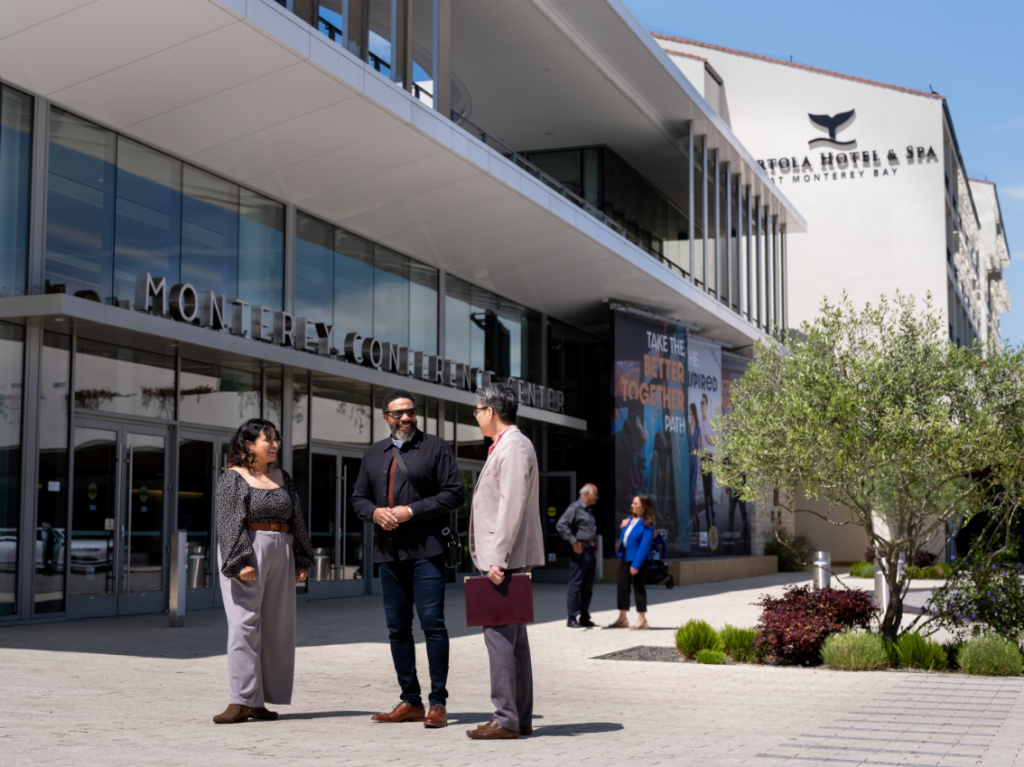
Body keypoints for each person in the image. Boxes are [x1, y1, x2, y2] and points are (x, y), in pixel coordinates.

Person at [351, 389, 464, 729]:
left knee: (433, 626)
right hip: (389, 555)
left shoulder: (435, 448)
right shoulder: (373, 454)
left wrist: (410, 511)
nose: (405, 418)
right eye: (398, 414)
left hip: (427, 552)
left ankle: (438, 702)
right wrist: (375, 513)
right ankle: (410, 700)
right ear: (386, 417)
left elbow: (454, 494)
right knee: (398, 630)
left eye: (410, 412)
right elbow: (358, 498)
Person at [214, 418, 313, 724]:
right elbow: (229, 521)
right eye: (267, 440)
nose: (274, 445)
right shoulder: (233, 477)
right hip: (248, 549)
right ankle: (240, 699)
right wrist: (239, 561)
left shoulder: (283, 477)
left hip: (281, 548)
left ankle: (259, 701)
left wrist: (301, 559)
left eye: (276, 440)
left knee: (278, 628)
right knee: (244, 625)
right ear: (248, 445)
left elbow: (296, 518)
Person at [467, 383, 545, 740]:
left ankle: (505, 718)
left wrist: (497, 558)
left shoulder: (513, 446)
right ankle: (519, 717)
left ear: (491, 412)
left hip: (504, 561)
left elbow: (511, 504)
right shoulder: (510, 445)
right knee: (514, 644)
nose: (476, 415)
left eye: (477, 409)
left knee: (500, 641)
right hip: (508, 559)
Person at [606, 494, 655, 630]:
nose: (632, 505)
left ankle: (642, 619)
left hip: (638, 560)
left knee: (638, 588)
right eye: (632, 503)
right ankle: (622, 618)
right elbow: (624, 535)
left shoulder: (648, 523)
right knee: (622, 587)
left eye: (635, 504)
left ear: (644, 507)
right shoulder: (630, 519)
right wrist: (621, 527)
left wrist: (636, 564)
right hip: (625, 557)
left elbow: (645, 545)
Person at [556, 483, 600, 630]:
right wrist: (574, 542)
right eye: (595, 494)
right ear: (587, 494)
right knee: (576, 584)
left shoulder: (588, 510)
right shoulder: (575, 508)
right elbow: (561, 525)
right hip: (580, 550)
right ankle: (572, 618)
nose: (597, 497)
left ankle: (584, 616)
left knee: (587, 586)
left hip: (590, 549)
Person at [699, 393, 716, 531]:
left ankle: (712, 513)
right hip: (703, 458)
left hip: (710, 457)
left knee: (709, 489)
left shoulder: (710, 423)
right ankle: (708, 518)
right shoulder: (699, 423)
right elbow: (699, 445)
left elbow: (713, 442)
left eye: (703, 403)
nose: (701, 405)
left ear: (707, 405)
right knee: (705, 491)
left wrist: (707, 436)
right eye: (700, 403)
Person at [687, 403, 701, 534]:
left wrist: (700, 467)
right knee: (688, 494)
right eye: (689, 412)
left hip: (695, 459)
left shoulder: (698, 428)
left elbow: (700, 448)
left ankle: (695, 518)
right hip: (688, 459)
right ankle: (693, 521)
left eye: (691, 412)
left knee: (692, 494)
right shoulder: (687, 426)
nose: (690, 415)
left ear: (694, 413)